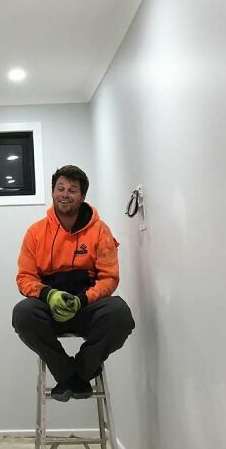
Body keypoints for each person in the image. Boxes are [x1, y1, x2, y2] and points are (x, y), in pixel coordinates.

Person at [12, 165, 134, 402]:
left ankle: (80, 372)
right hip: (50, 309)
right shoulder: (35, 233)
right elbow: (25, 277)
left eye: (72, 190)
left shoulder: (100, 231)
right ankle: (69, 374)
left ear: (82, 196)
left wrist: (83, 299)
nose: (65, 194)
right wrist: (48, 295)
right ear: (53, 192)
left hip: (86, 305)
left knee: (119, 314)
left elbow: (109, 277)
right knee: (23, 314)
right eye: (61, 188)